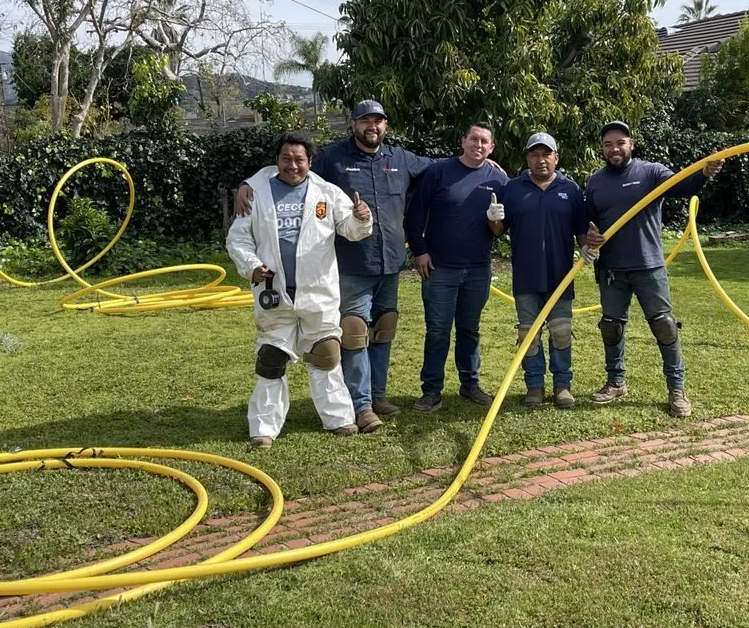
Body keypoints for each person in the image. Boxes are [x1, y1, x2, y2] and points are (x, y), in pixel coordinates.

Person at [236, 101, 505, 428]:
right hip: (352, 265)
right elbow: (292, 167)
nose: (371, 127)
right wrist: (251, 181)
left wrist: (483, 162)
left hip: (390, 263)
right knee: (354, 333)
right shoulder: (333, 158)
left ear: (385, 126)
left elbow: (446, 166)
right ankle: (360, 405)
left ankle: (377, 396)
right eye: (365, 121)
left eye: (377, 121)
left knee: (383, 330)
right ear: (353, 124)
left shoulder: (400, 158)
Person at [226, 133, 373, 447]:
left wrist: (362, 219)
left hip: (318, 292)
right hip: (274, 292)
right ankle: (263, 429)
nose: (293, 165)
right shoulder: (256, 193)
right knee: (271, 358)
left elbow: (352, 229)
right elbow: (238, 238)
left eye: (299, 159)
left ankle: (339, 419)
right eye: (286, 159)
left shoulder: (327, 193)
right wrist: (251, 265)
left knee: (326, 354)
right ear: (276, 160)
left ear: (310, 161)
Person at [583, 120, 724, 417]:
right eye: (608, 144)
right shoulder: (595, 181)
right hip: (612, 269)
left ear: (631, 144)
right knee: (611, 327)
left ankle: (676, 389)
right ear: (602, 149)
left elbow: (683, 185)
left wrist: (704, 172)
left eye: (620, 142)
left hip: (648, 266)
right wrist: (591, 235)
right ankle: (616, 381)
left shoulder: (651, 172)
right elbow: (591, 222)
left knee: (664, 326)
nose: (614, 149)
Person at [407, 122, 509, 412]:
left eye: (484, 142)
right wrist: (419, 250)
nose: (478, 145)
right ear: (463, 141)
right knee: (438, 331)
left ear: (492, 148)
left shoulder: (499, 180)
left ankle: (470, 384)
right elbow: (415, 213)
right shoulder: (439, 171)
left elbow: (499, 229)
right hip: (439, 268)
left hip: (478, 269)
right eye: (473, 139)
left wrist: (495, 220)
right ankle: (431, 391)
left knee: (470, 329)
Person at [486, 132, 588, 409]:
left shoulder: (571, 190)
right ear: (527, 158)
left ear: (556, 157)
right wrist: (493, 218)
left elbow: (582, 233)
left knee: (561, 331)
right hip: (527, 276)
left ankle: (562, 386)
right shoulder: (513, 189)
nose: (541, 160)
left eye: (546, 154)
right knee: (528, 335)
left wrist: (590, 249)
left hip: (561, 275)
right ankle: (534, 386)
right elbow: (498, 231)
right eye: (534, 154)